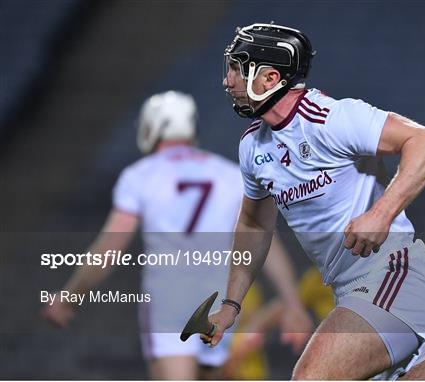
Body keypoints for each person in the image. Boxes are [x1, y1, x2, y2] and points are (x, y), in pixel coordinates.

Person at [201, 23, 425, 380]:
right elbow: (254, 224)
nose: (228, 81)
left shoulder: (332, 118)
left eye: (237, 68)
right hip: (351, 291)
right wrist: (231, 305)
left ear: (270, 77)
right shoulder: (252, 147)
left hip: (392, 275)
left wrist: (381, 213)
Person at [41, 90, 312, 380]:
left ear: (151, 128)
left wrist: (70, 296)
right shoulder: (229, 173)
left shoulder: (140, 175)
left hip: (168, 298)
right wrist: (292, 304)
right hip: (218, 299)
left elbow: (110, 248)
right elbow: (264, 244)